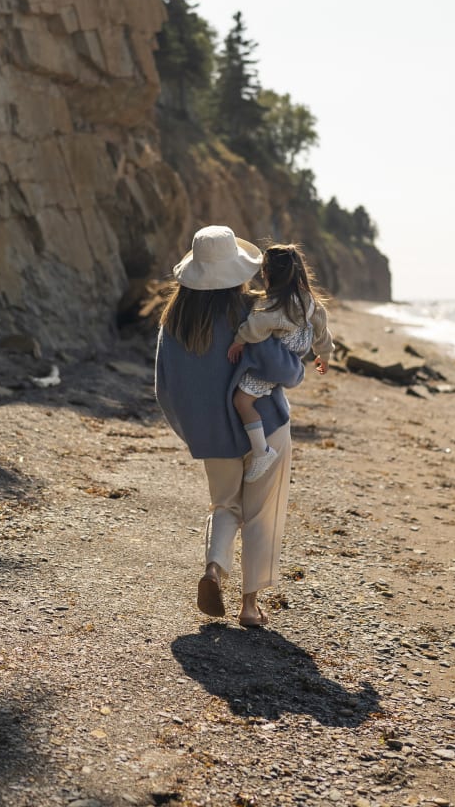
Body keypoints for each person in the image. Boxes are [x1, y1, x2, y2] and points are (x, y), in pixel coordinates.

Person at [154, 225, 306, 628]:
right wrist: (298, 369)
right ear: (237, 270)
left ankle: (213, 570)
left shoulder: (173, 321)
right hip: (266, 426)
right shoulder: (251, 311)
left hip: (211, 435)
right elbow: (280, 369)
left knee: (225, 506)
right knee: (261, 513)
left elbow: (164, 388)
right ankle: (250, 606)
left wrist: (193, 432)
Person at [226, 244, 334, 483]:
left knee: (242, 401)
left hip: (276, 358)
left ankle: (261, 450)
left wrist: (239, 341)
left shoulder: (273, 306)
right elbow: (323, 332)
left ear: (268, 273)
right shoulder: (310, 302)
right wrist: (323, 356)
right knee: (256, 394)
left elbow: (256, 327)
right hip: (298, 348)